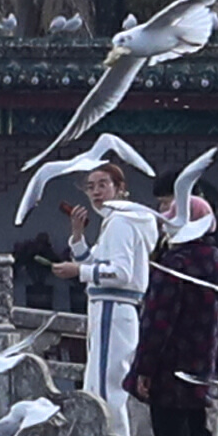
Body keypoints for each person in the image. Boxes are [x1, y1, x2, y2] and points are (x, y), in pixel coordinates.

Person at [131, 196, 218, 436]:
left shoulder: (175, 264)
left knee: (171, 432)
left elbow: (157, 320)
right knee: (197, 429)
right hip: (202, 361)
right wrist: (216, 362)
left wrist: (144, 368)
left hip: (170, 362)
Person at [77, 162, 153, 406]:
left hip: (113, 308)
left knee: (107, 389)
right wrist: (77, 237)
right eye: (91, 187)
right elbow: (94, 262)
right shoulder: (113, 222)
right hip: (108, 308)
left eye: (103, 185)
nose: (96, 192)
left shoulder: (120, 222)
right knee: (98, 384)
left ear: (120, 188)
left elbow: (121, 273)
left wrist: (79, 271)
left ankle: (111, 431)